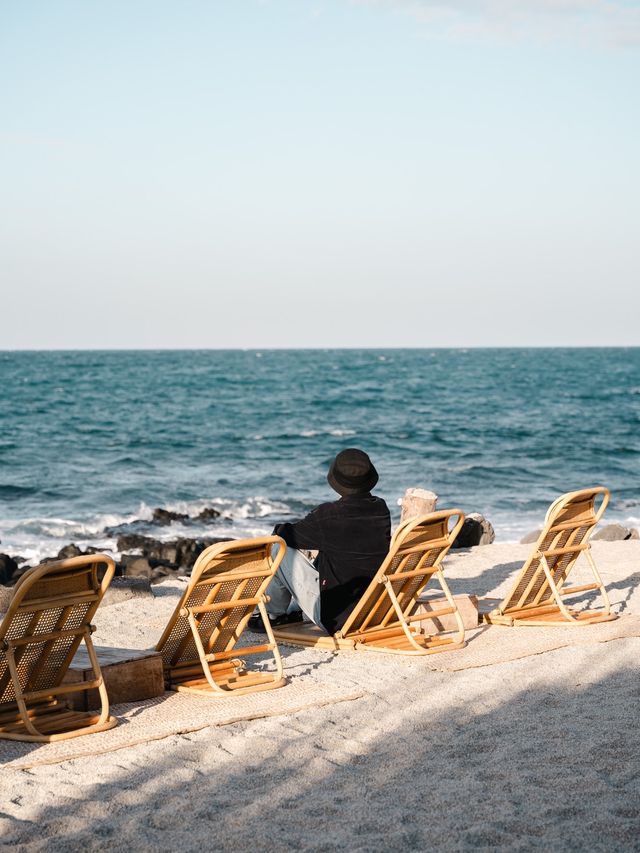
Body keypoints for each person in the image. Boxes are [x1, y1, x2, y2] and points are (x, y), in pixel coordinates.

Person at [248, 448, 391, 636]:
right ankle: (288, 610)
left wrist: (281, 526)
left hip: (339, 618)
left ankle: (274, 615)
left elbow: (285, 535)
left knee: (278, 550)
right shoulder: (381, 508)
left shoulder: (329, 515)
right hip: (378, 609)